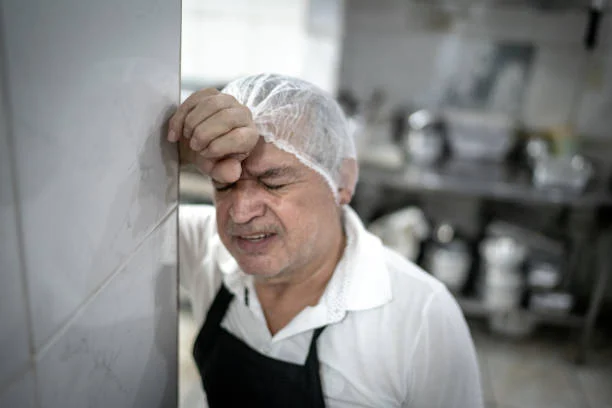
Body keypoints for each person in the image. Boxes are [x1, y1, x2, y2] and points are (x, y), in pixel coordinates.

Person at [167, 73, 483, 408]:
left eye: (273, 183)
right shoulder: (206, 244)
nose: (241, 213)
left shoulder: (422, 317)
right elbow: (124, 231)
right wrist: (173, 154)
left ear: (342, 181)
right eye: (224, 184)